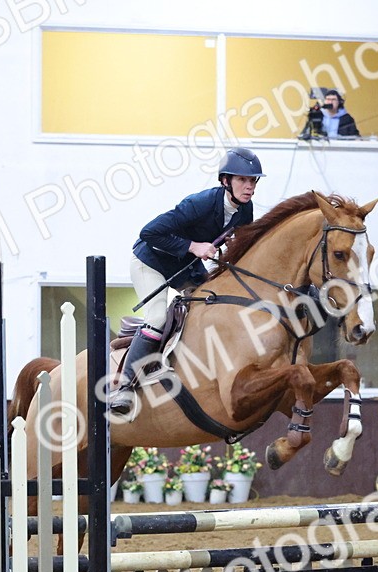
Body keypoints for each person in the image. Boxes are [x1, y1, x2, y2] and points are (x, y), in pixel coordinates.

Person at [108, 147, 265, 415]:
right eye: (242, 180)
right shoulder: (201, 203)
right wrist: (194, 246)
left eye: (252, 181)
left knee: (212, 304)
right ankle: (124, 387)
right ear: (225, 181)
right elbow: (149, 232)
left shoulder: (244, 210)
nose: (248, 187)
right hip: (151, 261)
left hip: (183, 267)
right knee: (157, 318)